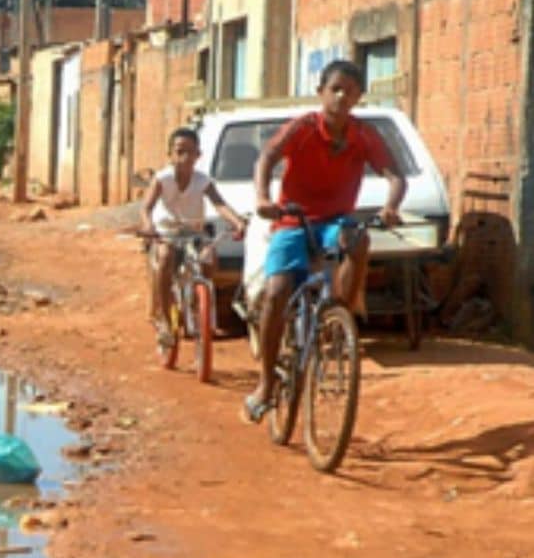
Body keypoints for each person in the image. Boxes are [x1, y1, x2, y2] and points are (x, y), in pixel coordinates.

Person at [242, 59, 406, 423]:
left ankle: (340, 315)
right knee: (277, 290)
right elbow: (267, 157)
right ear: (321, 92)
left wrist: (391, 206)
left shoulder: (363, 135)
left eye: (350, 91)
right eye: (335, 89)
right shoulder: (302, 128)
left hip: (336, 221)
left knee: (358, 240)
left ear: (359, 97)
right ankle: (266, 383)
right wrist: (262, 197)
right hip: (292, 218)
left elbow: (395, 176)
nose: (342, 96)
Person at [138, 127, 247, 348]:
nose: (184, 158)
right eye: (179, 152)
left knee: (209, 258)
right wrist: (148, 225)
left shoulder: (202, 181)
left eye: (190, 152)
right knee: (165, 258)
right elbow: (145, 207)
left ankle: (201, 307)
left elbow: (219, 204)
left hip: (194, 231)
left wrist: (237, 222)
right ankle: (166, 321)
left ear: (198, 155)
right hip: (167, 232)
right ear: (170, 154)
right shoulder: (162, 179)